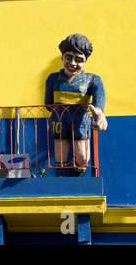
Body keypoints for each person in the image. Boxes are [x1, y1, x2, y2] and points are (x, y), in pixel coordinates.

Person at [45, 33, 107, 177]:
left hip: (80, 121)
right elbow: (48, 104)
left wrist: (99, 114)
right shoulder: (53, 79)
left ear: (85, 61)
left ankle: (75, 177)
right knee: (60, 157)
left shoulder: (92, 79)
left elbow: (99, 99)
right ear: (62, 57)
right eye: (68, 57)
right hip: (59, 120)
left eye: (78, 59)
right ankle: (61, 180)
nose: (72, 63)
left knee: (83, 157)